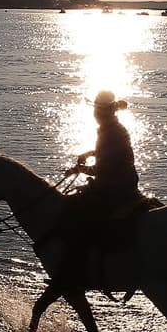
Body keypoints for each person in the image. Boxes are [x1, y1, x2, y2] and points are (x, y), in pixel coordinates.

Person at [57, 90, 141, 291]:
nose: (94, 113)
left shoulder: (110, 132)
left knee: (78, 219)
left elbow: (103, 169)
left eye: (97, 110)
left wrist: (79, 169)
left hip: (114, 188)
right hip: (122, 184)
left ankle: (77, 272)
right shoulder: (113, 129)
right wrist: (91, 153)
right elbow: (110, 153)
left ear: (103, 112)